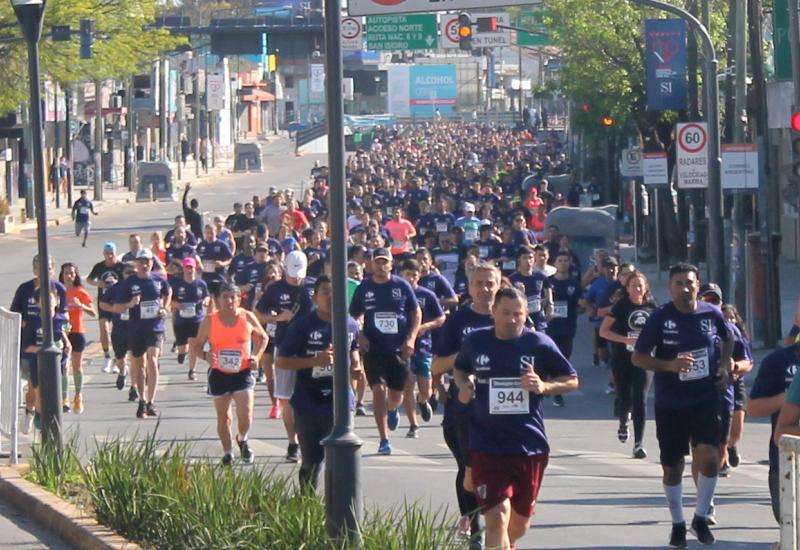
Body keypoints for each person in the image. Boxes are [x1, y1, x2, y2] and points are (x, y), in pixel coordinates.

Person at [454, 286, 578, 549]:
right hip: (486, 445)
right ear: (494, 312)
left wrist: (543, 386)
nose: (512, 319)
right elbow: (460, 368)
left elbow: (572, 380)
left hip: (528, 445)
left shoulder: (539, 343)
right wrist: (464, 384)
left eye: (518, 314)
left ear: (525, 315)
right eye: (506, 313)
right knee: (496, 518)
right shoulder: (476, 341)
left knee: (519, 526)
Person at [632, 263, 733, 547]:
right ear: (670, 287)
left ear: (698, 285)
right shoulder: (661, 317)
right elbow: (638, 357)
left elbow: (730, 338)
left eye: (689, 283)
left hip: (705, 398)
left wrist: (725, 366)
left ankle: (700, 517)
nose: (685, 288)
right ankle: (677, 523)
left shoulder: (711, 313)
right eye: (679, 283)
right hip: (671, 402)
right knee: (673, 467)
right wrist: (670, 365)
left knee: (710, 458)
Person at [432, 262, 501, 542]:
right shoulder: (458, 321)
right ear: (470, 288)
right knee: (468, 466)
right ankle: (473, 526)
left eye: (490, 283)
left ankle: (493, 518)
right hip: (464, 409)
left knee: (495, 468)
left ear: (499, 286)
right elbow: (437, 365)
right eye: (479, 284)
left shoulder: (511, 316)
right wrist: (466, 353)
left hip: (502, 412)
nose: (485, 289)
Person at [276, 275, 361, 488]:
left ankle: (338, 511)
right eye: (325, 291)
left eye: (335, 291)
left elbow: (355, 348)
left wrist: (356, 363)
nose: (331, 296)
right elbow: (282, 361)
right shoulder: (302, 325)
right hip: (308, 402)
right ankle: (306, 507)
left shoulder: (350, 324)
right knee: (311, 462)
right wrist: (316, 360)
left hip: (340, 402)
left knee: (339, 460)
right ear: (314, 298)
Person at [349, 247, 421, 455]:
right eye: (377, 262)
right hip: (374, 348)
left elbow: (415, 312)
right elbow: (354, 315)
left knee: (396, 396)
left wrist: (411, 338)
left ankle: (391, 410)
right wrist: (360, 333)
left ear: (391, 265)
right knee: (378, 390)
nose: (381, 266)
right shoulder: (365, 287)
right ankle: (384, 439)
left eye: (385, 262)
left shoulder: (401, 285)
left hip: (398, 349)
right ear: (371, 264)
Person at [193, 283, 268, 465]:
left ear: (239, 298)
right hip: (219, 373)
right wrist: (205, 356)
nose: (229, 300)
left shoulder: (247, 317)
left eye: (233, 297)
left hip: (242, 372)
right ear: (218, 299)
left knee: (246, 413)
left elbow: (263, 337)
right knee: (224, 416)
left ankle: (242, 439)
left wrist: (256, 356)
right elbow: (195, 345)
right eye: (225, 296)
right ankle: (227, 452)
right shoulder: (211, 320)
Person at [254, 250, 314, 462]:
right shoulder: (276, 289)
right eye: (292, 273)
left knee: (313, 396)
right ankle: (293, 443)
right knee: (287, 398)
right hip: (286, 347)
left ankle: (313, 438)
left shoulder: (312, 287)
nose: (296, 277)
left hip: (312, 348)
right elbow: (257, 314)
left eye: (299, 273)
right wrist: (279, 317)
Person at [599, 270, 656, 458]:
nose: (637, 289)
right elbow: (604, 331)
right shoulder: (621, 306)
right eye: (633, 286)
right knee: (624, 397)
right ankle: (623, 422)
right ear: (627, 288)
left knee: (640, 398)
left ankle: (638, 443)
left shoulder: (652, 307)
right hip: (622, 359)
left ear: (646, 287)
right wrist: (625, 340)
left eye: (640, 285)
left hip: (644, 359)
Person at [113, 249, 172, 419]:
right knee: (140, 365)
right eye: (141, 262)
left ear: (152, 263)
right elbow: (117, 307)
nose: (145, 264)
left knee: (153, 360)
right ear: (136, 264)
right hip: (136, 329)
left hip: (155, 327)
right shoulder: (129, 283)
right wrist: (130, 303)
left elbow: (168, 293)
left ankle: (151, 401)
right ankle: (142, 400)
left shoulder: (159, 280)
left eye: (147, 261)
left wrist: (164, 308)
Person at [748, 340, 800, 523]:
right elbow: (753, 409)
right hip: (786, 464)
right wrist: (790, 398)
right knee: (790, 524)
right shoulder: (777, 361)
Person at [400, 259, 446, 438]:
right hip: (403, 347)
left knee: (425, 387)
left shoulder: (427, 295)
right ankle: (413, 425)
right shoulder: (397, 294)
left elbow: (441, 318)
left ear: (419, 276)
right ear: (401, 274)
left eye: (413, 274)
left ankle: (423, 400)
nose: (410, 278)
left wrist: (424, 327)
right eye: (407, 274)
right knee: (408, 384)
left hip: (424, 347)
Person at [545, 252, 583, 407]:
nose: (563, 263)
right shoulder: (548, 282)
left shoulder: (574, 283)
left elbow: (580, 304)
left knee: (564, 356)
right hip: (549, 327)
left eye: (566, 260)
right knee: (549, 355)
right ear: (555, 263)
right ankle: (555, 390)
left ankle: (555, 386)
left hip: (567, 327)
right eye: (560, 260)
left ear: (570, 263)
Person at [59, 263, 96, 415]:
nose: (69, 276)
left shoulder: (80, 291)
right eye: (67, 273)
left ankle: (78, 395)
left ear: (76, 275)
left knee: (77, 366)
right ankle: (64, 398)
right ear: (62, 275)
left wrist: (81, 306)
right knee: (64, 366)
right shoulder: (58, 290)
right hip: (62, 332)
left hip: (78, 331)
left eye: (72, 273)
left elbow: (93, 312)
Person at [86, 243, 124, 373]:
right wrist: (100, 283)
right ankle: (107, 356)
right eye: (107, 253)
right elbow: (89, 280)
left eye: (111, 253)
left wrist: (117, 284)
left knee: (118, 332)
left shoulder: (121, 266)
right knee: (104, 328)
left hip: (118, 301)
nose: (109, 256)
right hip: (104, 301)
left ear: (115, 253)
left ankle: (118, 357)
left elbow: (128, 281)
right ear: (104, 253)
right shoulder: (99, 266)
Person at [170, 258, 210, 380]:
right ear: (183, 269)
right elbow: (169, 300)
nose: (189, 270)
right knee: (183, 348)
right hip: (181, 320)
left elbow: (207, 296)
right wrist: (177, 305)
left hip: (196, 319)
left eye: (191, 267)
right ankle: (182, 353)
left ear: (195, 268)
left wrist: (206, 301)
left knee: (193, 345)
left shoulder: (200, 284)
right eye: (187, 267)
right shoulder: (177, 284)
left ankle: (192, 370)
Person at [509, 245, 553, 332]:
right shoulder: (513, 278)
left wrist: (550, 305)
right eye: (525, 258)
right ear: (519, 260)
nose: (528, 261)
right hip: (522, 320)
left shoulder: (541, 276)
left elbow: (548, 290)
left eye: (530, 258)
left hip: (539, 319)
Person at [196, 224, 233, 296]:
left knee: (218, 298)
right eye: (207, 233)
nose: (209, 235)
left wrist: (222, 263)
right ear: (205, 233)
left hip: (218, 277)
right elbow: (196, 258)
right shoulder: (201, 245)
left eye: (211, 233)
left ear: (216, 233)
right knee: (207, 298)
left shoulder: (222, 245)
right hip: (205, 278)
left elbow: (230, 258)